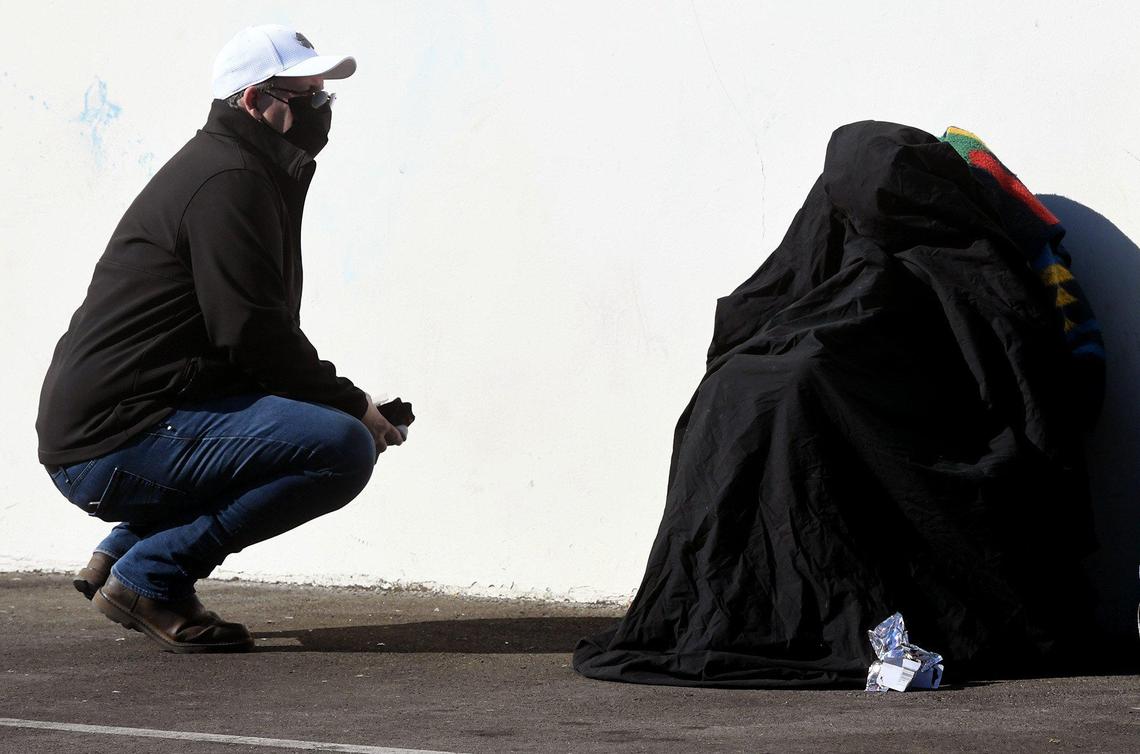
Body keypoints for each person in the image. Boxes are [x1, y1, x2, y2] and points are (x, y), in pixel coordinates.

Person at [36, 25, 405, 653]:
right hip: (111, 441)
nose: (322, 110)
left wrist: (330, 398)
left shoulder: (247, 171)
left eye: (326, 97)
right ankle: (151, 576)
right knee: (339, 447)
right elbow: (254, 334)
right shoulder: (228, 180)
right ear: (255, 103)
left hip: (130, 422)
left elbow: (244, 340)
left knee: (306, 427)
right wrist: (351, 404)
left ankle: (124, 552)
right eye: (307, 95)